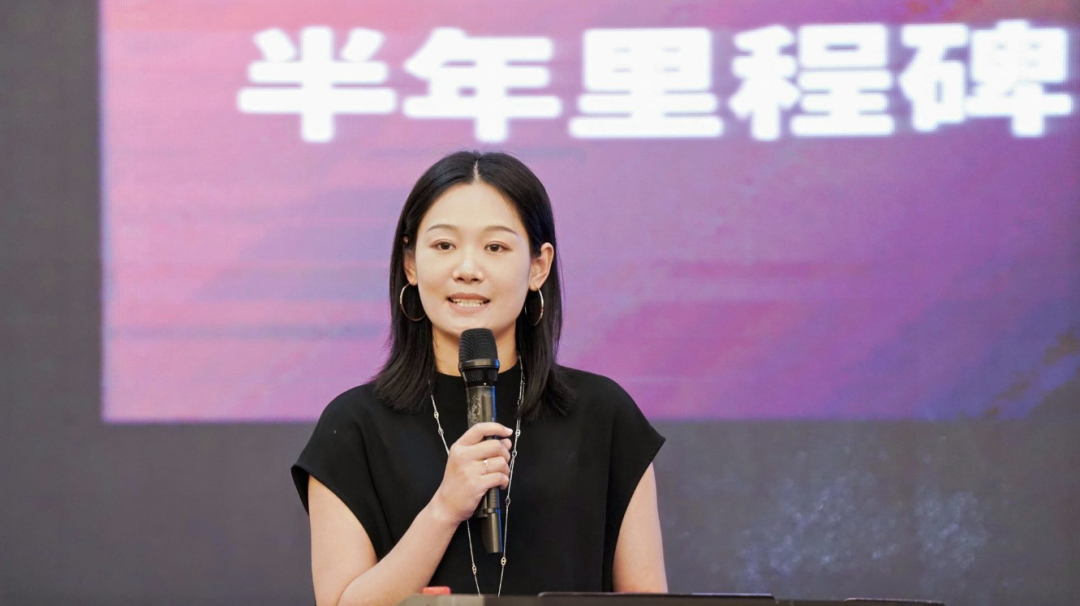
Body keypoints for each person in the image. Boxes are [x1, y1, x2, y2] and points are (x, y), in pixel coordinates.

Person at [291, 150, 667, 606]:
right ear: (410, 263)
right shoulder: (354, 426)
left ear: (539, 266)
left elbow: (647, 598)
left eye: (495, 248)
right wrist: (444, 509)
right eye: (444, 246)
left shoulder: (603, 415)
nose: (467, 269)